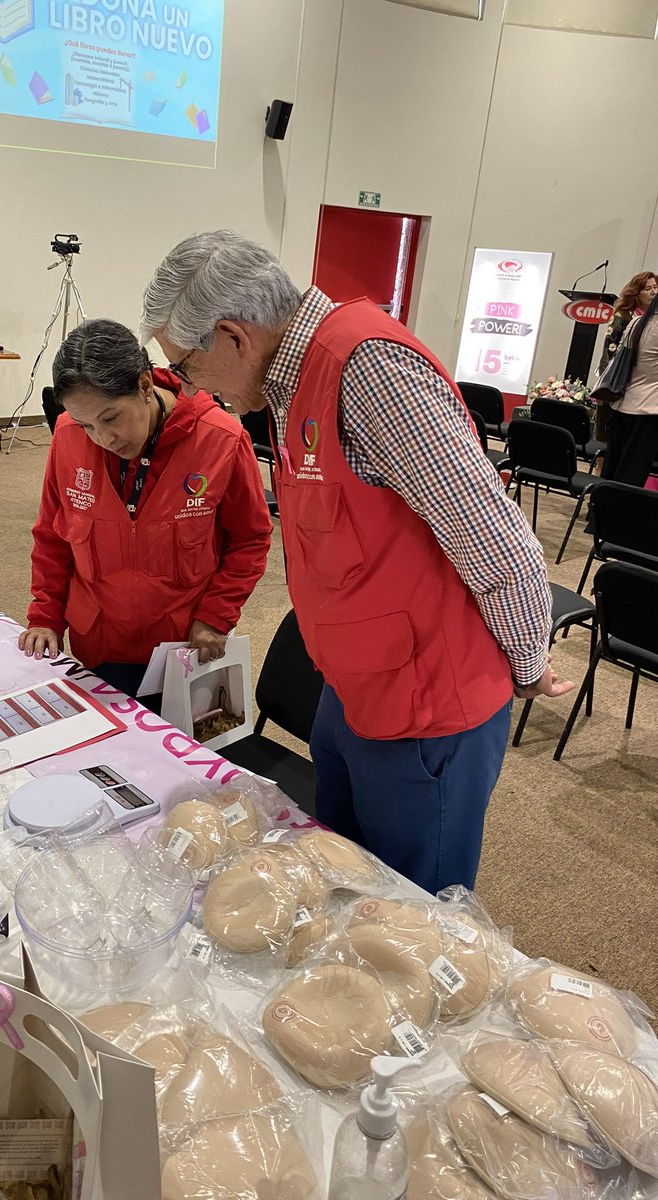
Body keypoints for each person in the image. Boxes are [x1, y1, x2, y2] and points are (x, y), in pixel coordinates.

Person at [142, 231, 566, 894]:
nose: (192, 388)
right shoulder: (288, 380)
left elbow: (497, 541)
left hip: (427, 706)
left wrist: (527, 661)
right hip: (354, 689)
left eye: (186, 368)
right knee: (345, 885)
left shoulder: (366, 370)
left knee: (415, 913)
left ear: (231, 336)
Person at [19, 318, 272, 700]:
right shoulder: (67, 439)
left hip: (182, 647)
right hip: (100, 645)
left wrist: (216, 615)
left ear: (144, 386)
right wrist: (45, 616)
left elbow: (250, 540)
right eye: (85, 424)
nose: (104, 439)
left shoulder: (221, 440)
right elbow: (53, 538)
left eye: (110, 418)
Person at [594, 271, 658, 453]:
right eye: (648, 288)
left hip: (640, 392)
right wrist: (603, 386)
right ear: (636, 293)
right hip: (615, 384)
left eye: (655, 287)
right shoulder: (624, 315)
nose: (654, 292)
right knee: (606, 442)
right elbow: (609, 350)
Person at [600, 293, 658, 487]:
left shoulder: (637, 322)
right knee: (631, 476)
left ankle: (599, 513)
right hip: (649, 411)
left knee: (612, 470)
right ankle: (620, 516)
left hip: (623, 405)